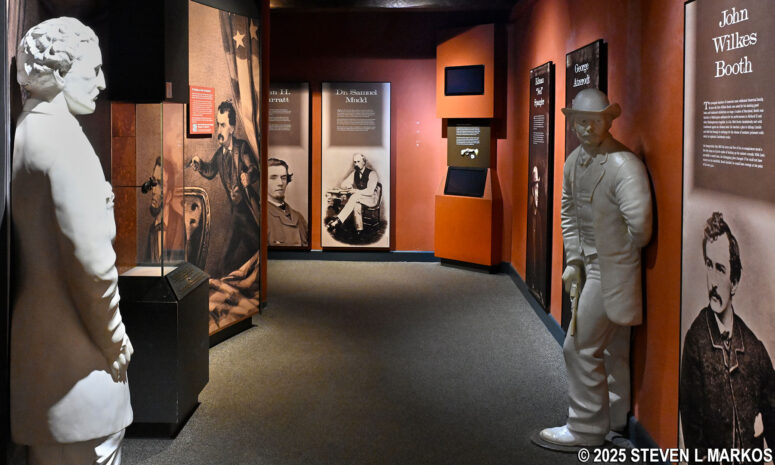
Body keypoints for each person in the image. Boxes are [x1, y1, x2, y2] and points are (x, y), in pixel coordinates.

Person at [12, 17, 133, 464]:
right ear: (60, 72)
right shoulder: (66, 143)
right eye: (94, 70)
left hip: (40, 341)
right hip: (78, 355)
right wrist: (115, 340)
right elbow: (92, 266)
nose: (102, 83)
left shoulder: (28, 129)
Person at [539, 88, 652, 447]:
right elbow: (568, 213)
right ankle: (614, 417)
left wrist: (614, 259)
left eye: (594, 121)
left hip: (611, 270)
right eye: (581, 122)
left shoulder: (624, 165)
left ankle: (585, 428)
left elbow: (640, 229)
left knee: (578, 347)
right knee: (610, 348)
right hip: (588, 266)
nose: (587, 128)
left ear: (608, 121)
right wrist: (575, 259)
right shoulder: (574, 162)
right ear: (572, 123)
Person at [680, 212, 775, 457]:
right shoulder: (696, 342)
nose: (712, 281)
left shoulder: (755, 350)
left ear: (734, 282)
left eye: (720, 269)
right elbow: (694, 442)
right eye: (709, 265)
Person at [190, 100, 260, 276]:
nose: (218, 131)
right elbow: (210, 171)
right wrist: (199, 164)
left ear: (232, 128)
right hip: (236, 215)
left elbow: (254, 169)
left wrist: (248, 176)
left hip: (250, 213)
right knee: (225, 263)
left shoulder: (241, 148)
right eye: (217, 125)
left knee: (258, 255)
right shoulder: (219, 155)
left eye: (222, 125)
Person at [326, 153, 381, 234]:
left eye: (358, 161)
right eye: (355, 162)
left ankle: (337, 221)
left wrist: (356, 191)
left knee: (354, 197)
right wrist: (348, 185)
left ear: (364, 162)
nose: (356, 164)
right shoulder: (355, 173)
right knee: (356, 204)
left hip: (371, 199)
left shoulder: (372, 174)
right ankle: (359, 230)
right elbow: (343, 184)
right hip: (360, 198)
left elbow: (370, 191)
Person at [144, 156, 184, 263]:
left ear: (169, 196)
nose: (154, 190)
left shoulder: (179, 225)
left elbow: (180, 269)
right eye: (153, 182)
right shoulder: (152, 229)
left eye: (160, 185)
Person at [267, 158, 308, 247]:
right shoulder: (259, 217)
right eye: (273, 178)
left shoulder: (299, 217)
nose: (280, 183)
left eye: (283, 178)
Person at [526, 164, 547, 306]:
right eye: (535, 185)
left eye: (538, 184)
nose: (536, 188)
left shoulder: (541, 206)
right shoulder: (531, 202)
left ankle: (538, 283)